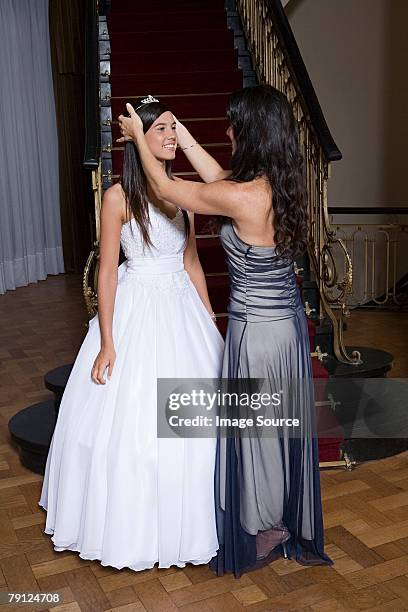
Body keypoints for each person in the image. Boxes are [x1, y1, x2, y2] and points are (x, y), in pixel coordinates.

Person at [117, 84, 333, 577]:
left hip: (256, 335)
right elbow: (216, 179)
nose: (228, 132)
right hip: (286, 329)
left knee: (256, 434)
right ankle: (277, 521)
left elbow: (172, 189)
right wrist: (181, 131)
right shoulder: (271, 185)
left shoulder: (241, 196)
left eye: (234, 125)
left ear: (253, 133)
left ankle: (263, 527)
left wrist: (136, 137)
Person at [38, 96, 225, 572]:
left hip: (181, 306)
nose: (170, 137)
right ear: (139, 136)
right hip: (137, 305)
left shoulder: (181, 193)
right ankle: (136, 528)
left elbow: (192, 262)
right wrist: (107, 340)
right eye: (161, 128)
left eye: (173, 129)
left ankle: (202, 522)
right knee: (133, 427)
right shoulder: (118, 196)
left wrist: (207, 317)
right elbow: (107, 271)